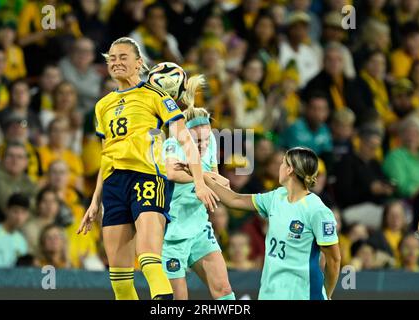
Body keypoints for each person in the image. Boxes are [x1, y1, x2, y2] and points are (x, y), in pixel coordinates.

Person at [77, 37, 218, 300]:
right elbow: (107, 156)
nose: (116, 62)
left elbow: (185, 140)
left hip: (148, 179)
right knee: (119, 279)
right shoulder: (102, 106)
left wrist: (199, 182)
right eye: (112, 58)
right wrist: (95, 202)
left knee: (149, 259)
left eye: (123, 57)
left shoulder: (156, 96)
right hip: (114, 185)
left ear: (139, 63)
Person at [192, 147, 341, 300]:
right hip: (270, 292)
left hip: (303, 293)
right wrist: (201, 176)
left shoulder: (317, 211)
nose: (280, 168)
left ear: (290, 170)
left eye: (283, 163)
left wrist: (327, 294)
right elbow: (234, 199)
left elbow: (334, 260)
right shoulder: (276, 197)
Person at [161, 75, 234, 300]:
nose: (202, 146)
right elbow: (172, 173)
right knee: (179, 300)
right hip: (172, 235)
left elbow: (221, 181)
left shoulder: (210, 141)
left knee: (224, 291)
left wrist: (194, 172)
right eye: (197, 142)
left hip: (200, 228)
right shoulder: (171, 144)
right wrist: (202, 177)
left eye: (205, 140)